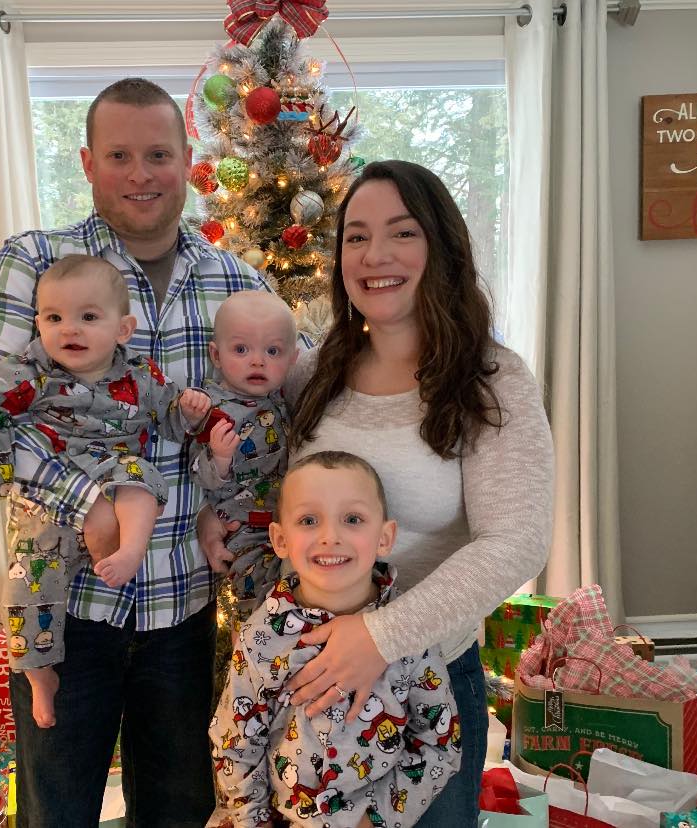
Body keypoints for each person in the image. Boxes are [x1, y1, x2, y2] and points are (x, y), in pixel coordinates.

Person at [0, 78, 270, 827]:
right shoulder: (37, 265)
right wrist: (89, 502)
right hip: (67, 607)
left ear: (190, 162)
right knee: (58, 811)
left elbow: (274, 408)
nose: (140, 173)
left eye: (159, 153)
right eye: (119, 154)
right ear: (88, 163)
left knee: (179, 809)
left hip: (182, 610)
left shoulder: (235, 281)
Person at [200, 159, 555, 826]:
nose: (375, 255)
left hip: (424, 691)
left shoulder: (492, 379)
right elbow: (256, 465)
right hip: (299, 682)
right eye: (356, 237)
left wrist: (379, 636)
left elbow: (517, 541)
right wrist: (207, 515)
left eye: (402, 232)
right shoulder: (314, 370)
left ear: (442, 246)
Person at [0, 254, 211, 729]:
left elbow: (169, 421)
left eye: (88, 317)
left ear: (123, 328)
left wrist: (190, 413)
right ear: (38, 324)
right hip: (48, 508)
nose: (69, 329)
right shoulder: (31, 373)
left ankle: (131, 550)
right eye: (54, 318)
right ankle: (39, 675)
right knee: (25, 586)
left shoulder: (140, 375)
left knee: (140, 477)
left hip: (118, 475)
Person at [207, 451, 461, 828]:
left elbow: (439, 741)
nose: (330, 537)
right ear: (280, 539)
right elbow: (235, 745)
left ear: (385, 537)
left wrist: (377, 819)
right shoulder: (261, 637)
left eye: (353, 519)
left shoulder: (410, 634)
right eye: (309, 520)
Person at [190, 291, 299, 625]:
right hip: (242, 527)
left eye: (272, 351)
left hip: (288, 523)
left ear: (292, 359)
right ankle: (257, 657)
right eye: (241, 349)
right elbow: (201, 477)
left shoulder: (280, 398)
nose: (258, 361)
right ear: (216, 355)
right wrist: (220, 458)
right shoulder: (212, 408)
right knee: (259, 608)